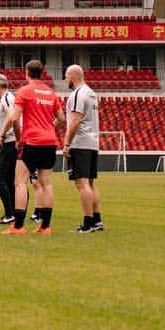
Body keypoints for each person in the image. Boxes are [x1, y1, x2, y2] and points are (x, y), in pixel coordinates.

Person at [4, 59, 63, 236]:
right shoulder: (50, 92)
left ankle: (19, 226)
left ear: (26, 72)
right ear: (42, 72)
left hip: (32, 142)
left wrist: (6, 135)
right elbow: (61, 119)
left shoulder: (25, 91)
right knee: (46, 183)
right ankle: (45, 227)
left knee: (20, 181)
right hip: (49, 141)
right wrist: (49, 127)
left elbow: (14, 117)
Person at [61, 64, 104, 233]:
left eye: (66, 76)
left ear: (72, 77)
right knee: (91, 183)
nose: (65, 80)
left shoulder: (78, 94)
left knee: (82, 184)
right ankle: (97, 219)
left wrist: (66, 143)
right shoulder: (91, 93)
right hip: (93, 143)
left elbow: (75, 120)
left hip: (81, 143)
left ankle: (87, 222)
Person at [0, 73, 18, 225]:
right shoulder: (8, 98)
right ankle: (13, 212)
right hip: (10, 142)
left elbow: (12, 116)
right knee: (8, 179)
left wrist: (3, 134)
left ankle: (9, 212)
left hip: (8, 143)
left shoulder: (7, 98)